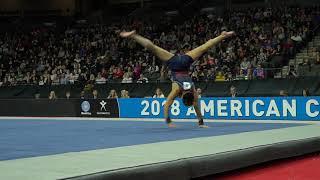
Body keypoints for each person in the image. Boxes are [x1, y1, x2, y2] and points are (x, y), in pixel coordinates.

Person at [120, 30, 235, 127]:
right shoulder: (177, 90)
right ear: (183, 96)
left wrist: (201, 122)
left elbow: (195, 104)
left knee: (204, 47)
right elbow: (167, 105)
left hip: (184, 62)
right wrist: (168, 121)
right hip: (175, 64)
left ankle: (222, 35)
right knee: (153, 48)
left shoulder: (192, 88)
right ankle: (134, 36)